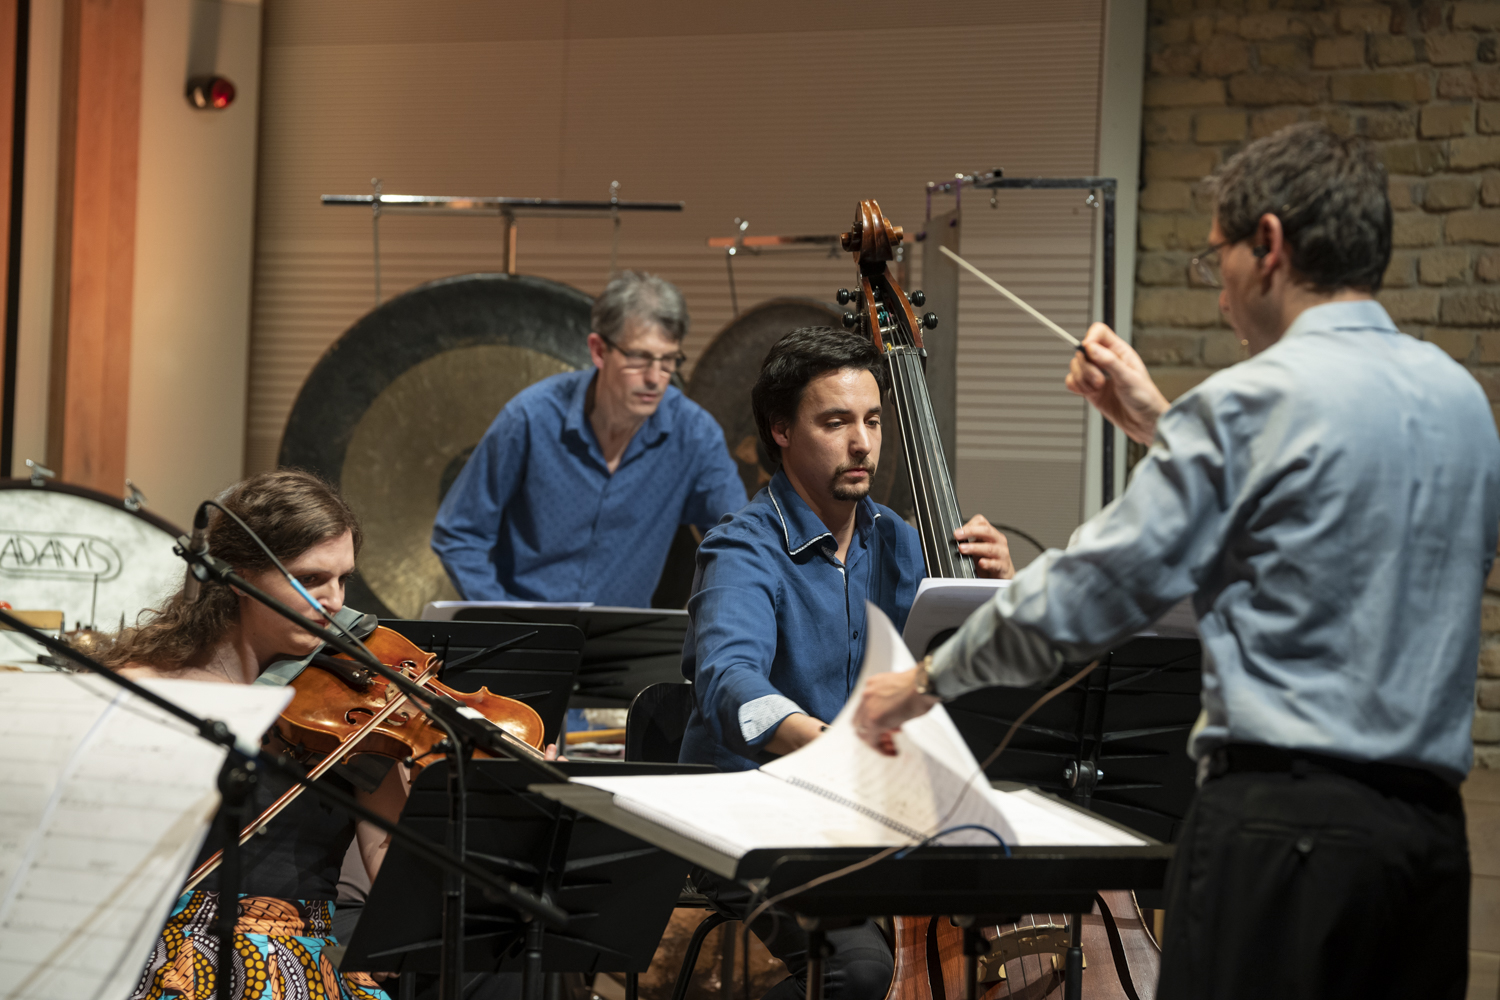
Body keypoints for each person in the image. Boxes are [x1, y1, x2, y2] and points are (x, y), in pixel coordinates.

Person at [851, 122, 1500, 1000]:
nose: (1221, 293)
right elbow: (1319, 511)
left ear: (1269, 245)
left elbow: (1090, 591)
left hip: (1282, 840)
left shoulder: (1247, 404)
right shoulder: (1460, 401)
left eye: (1216, 257)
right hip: (1427, 844)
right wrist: (1165, 426)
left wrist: (926, 676)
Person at [679, 325, 1013, 1000]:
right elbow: (727, 681)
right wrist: (829, 748)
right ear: (780, 430)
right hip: (748, 813)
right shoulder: (741, 549)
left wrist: (1000, 596)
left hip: (865, 817)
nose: (862, 443)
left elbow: (958, 682)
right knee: (858, 969)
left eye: (873, 420)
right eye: (835, 422)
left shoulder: (902, 544)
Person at [432, 270, 747, 607]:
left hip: (624, 634)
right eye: (639, 358)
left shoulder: (695, 434)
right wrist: (501, 616)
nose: (655, 378)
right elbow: (459, 532)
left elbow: (740, 543)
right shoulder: (529, 418)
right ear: (599, 350)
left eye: (668, 360)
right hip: (527, 629)